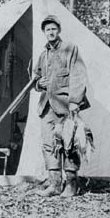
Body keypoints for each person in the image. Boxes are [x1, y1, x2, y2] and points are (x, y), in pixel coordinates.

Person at [33, 15, 90, 197]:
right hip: (46, 107)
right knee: (49, 144)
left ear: (59, 30)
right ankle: (55, 185)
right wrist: (38, 84)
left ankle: (71, 186)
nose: (50, 32)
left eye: (53, 29)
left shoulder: (69, 49)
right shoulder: (43, 55)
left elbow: (78, 75)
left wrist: (74, 101)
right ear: (44, 32)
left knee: (69, 143)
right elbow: (35, 77)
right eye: (47, 29)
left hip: (66, 105)